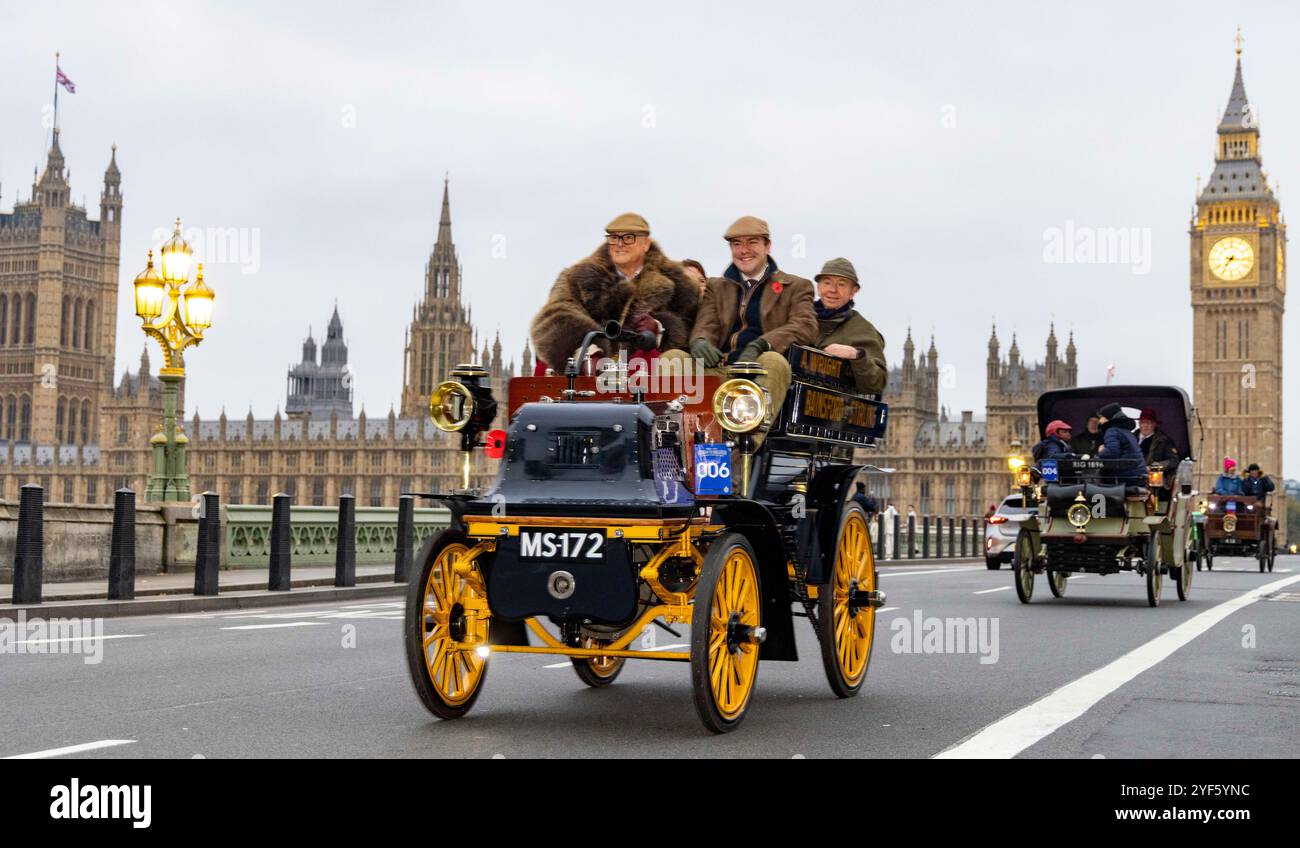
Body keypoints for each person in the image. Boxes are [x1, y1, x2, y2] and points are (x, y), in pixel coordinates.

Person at [659, 215, 817, 410]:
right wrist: (700, 341)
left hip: (759, 369)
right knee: (673, 358)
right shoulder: (716, 287)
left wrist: (761, 345)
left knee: (774, 361)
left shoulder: (795, 286)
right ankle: (675, 432)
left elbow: (805, 325)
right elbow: (706, 324)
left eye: (752, 242)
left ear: (767, 246)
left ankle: (747, 436)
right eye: (736, 244)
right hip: (719, 366)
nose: (743, 250)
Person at [530, 212, 698, 374]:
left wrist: (660, 329)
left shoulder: (680, 286)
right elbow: (554, 317)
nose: (619, 244)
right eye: (614, 238)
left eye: (628, 238)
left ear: (646, 244)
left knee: (675, 360)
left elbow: (691, 330)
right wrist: (588, 350)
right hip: (590, 376)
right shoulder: (576, 277)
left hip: (648, 376)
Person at [810, 257, 887, 395]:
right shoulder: (799, 316)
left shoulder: (864, 331)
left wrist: (857, 355)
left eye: (841, 284)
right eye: (827, 283)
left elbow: (876, 383)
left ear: (853, 291)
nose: (833, 290)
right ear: (819, 287)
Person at [1096, 403, 1147, 483]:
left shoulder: (1112, 431)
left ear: (1108, 417)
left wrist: (1101, 451)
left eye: (1101, 417)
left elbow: (1111, 452)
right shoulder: (1127, 431)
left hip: (1125, 477)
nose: (1099, 420)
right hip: (1138, 474)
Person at [1137, 408, 1179, 494]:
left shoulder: (1164, 441)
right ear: (1139, 424)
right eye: (1143, 422)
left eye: (1148, 423)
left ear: (1154, 425)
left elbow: (1174, 461)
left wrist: (1155, 466)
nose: (1145, 426)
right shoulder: (1130, 439)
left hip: (1153, 482)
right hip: (1132, 477)